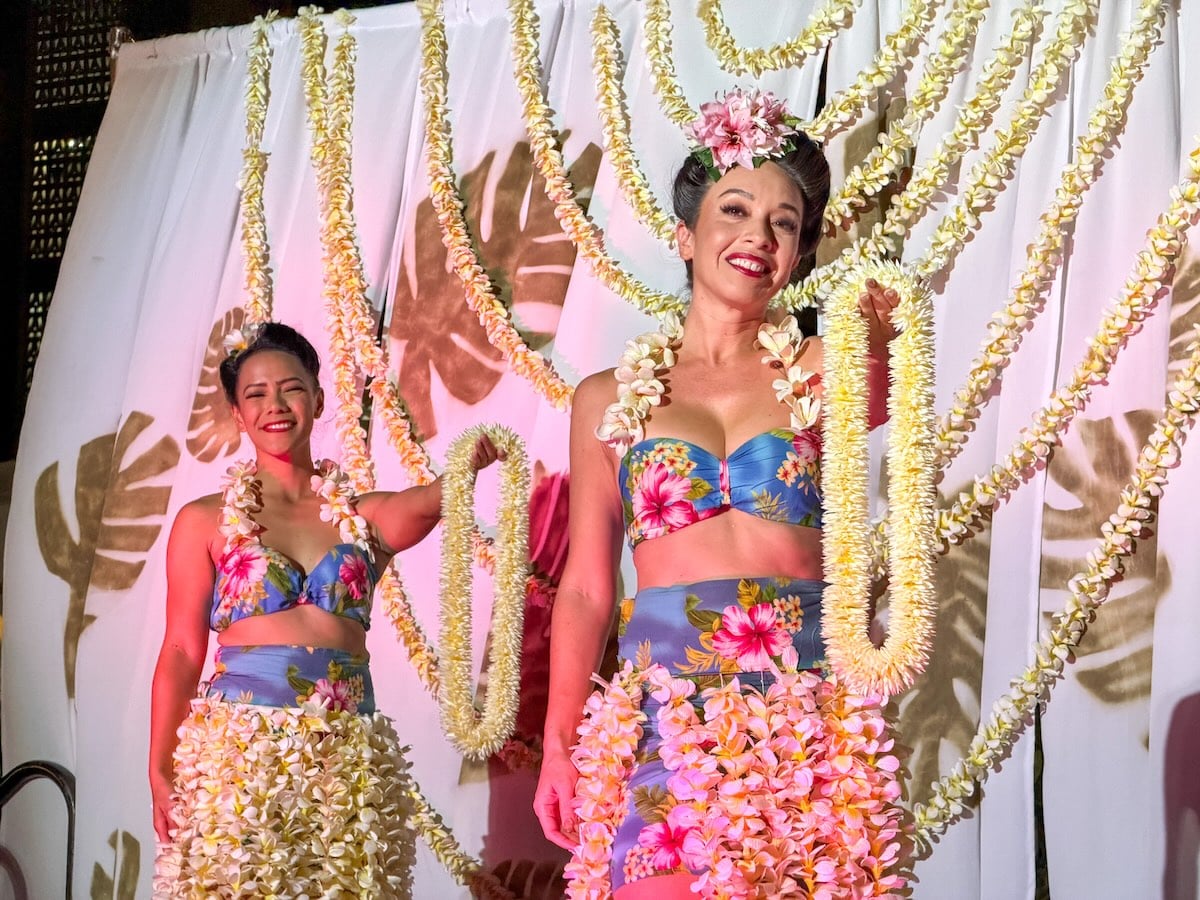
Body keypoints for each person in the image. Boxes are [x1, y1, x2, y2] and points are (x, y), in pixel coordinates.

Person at [534, 88, 906, 898]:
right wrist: (561, 739)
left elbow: (886, 385)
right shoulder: (606, 396)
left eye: (784, 223)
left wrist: (877, 323)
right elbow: (589, 588)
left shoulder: (820, 369)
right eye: (735, 209)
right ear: (686, 234)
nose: (758, 236)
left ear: (800, 251)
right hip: (663, 705)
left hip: (805, 697)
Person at [149, 321, 502, 897]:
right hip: (241, 753)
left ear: (316, 397)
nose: (275, 406)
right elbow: (183, 650)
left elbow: (426, 500)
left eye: (289, 388)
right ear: (238, 415)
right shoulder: (202, 520)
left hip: (346, 753)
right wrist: (159, 765)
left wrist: (465, 464)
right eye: (255, 395)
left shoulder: (361, 515)